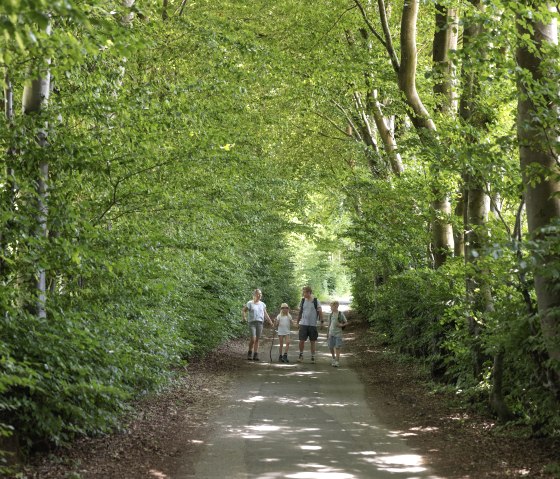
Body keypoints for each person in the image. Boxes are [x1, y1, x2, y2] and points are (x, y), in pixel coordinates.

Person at [242, 289, 273, 361]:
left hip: (260, 323)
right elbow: (244, 310)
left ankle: (255, 354)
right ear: (254, 295)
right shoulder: (250, 303)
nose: (259, 295)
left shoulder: (262, 304)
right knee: (253, 339)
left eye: (260, 294)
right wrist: (244, 317)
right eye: (258, 294)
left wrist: (270, 321)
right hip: (252, 323)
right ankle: (250, 352)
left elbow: (265, 313)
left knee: (257, 339)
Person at [297, 286, 323, 363]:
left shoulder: (316, 301)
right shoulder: (302, 301)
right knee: (301, 340)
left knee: (313, 341)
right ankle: (301, 355)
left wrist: (322, 322)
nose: (303, 294)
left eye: (304, 292)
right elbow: (300, 312)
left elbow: (320, 312)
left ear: (309, 292)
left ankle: (313, 357)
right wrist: (298, 322)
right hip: (303, 324)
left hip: (312, 324)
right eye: (303, 292)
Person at [327, 301, 348, 367]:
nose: (331, 308)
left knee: (337, 347)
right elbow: (329, 324)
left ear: (336, 306)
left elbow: (346, 322)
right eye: (331, 306)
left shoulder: (340, 314)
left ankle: (337, 361)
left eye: (332, 306)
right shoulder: (330, 315)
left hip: (338, 334)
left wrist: (341, 325)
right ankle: (333, 358)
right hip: (331, 333)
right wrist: (327, 333)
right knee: (330, 347)